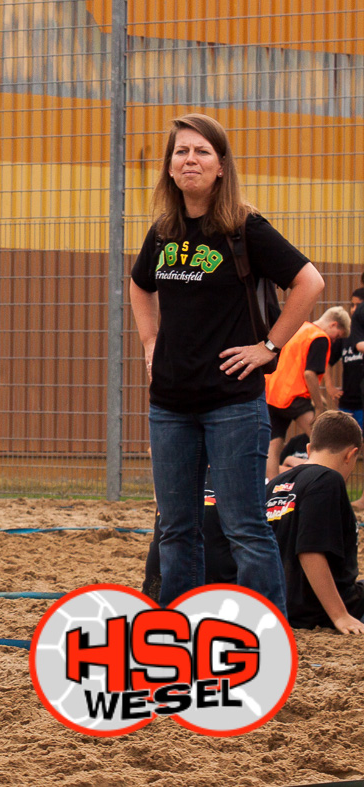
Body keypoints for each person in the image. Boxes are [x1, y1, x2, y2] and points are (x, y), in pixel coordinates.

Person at [129, 112, 324, 613]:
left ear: (220, 167)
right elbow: (139, 284)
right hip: (169, 405)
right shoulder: (164, 231)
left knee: (245, 527)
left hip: (233, 404)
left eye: (201, 152)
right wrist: (150, 342)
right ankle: (179, 636)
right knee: (176, 529)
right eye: (181, 152)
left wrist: (270, 348)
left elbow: (310, 283)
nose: (189, 159)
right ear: (170, 168)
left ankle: (265, 639)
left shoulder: (245, 228)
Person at [263, 410, 364, 632]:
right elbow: (310, 551)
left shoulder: (275, 484)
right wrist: (340, 616)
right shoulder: (328, 480)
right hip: (316, 610)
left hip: (280, 602)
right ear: (350, 455)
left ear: (309, 449)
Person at [265, 307, 351, 479]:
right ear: (333, 324)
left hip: (273, 394)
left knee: (272, 447)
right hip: (294, 396)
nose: (335, 340)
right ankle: (327, 485)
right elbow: (309, 374)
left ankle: (271, 492)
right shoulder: (319, 337)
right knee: (323, 443)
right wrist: (319, 405)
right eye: (338, 336)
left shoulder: (300, 329)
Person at [331, 287, 364, 429]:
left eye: (358, 305)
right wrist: (330, 387)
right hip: (347, 402)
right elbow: (327, 361)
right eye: (352, 305)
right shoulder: (346, 335)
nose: (353, 309)